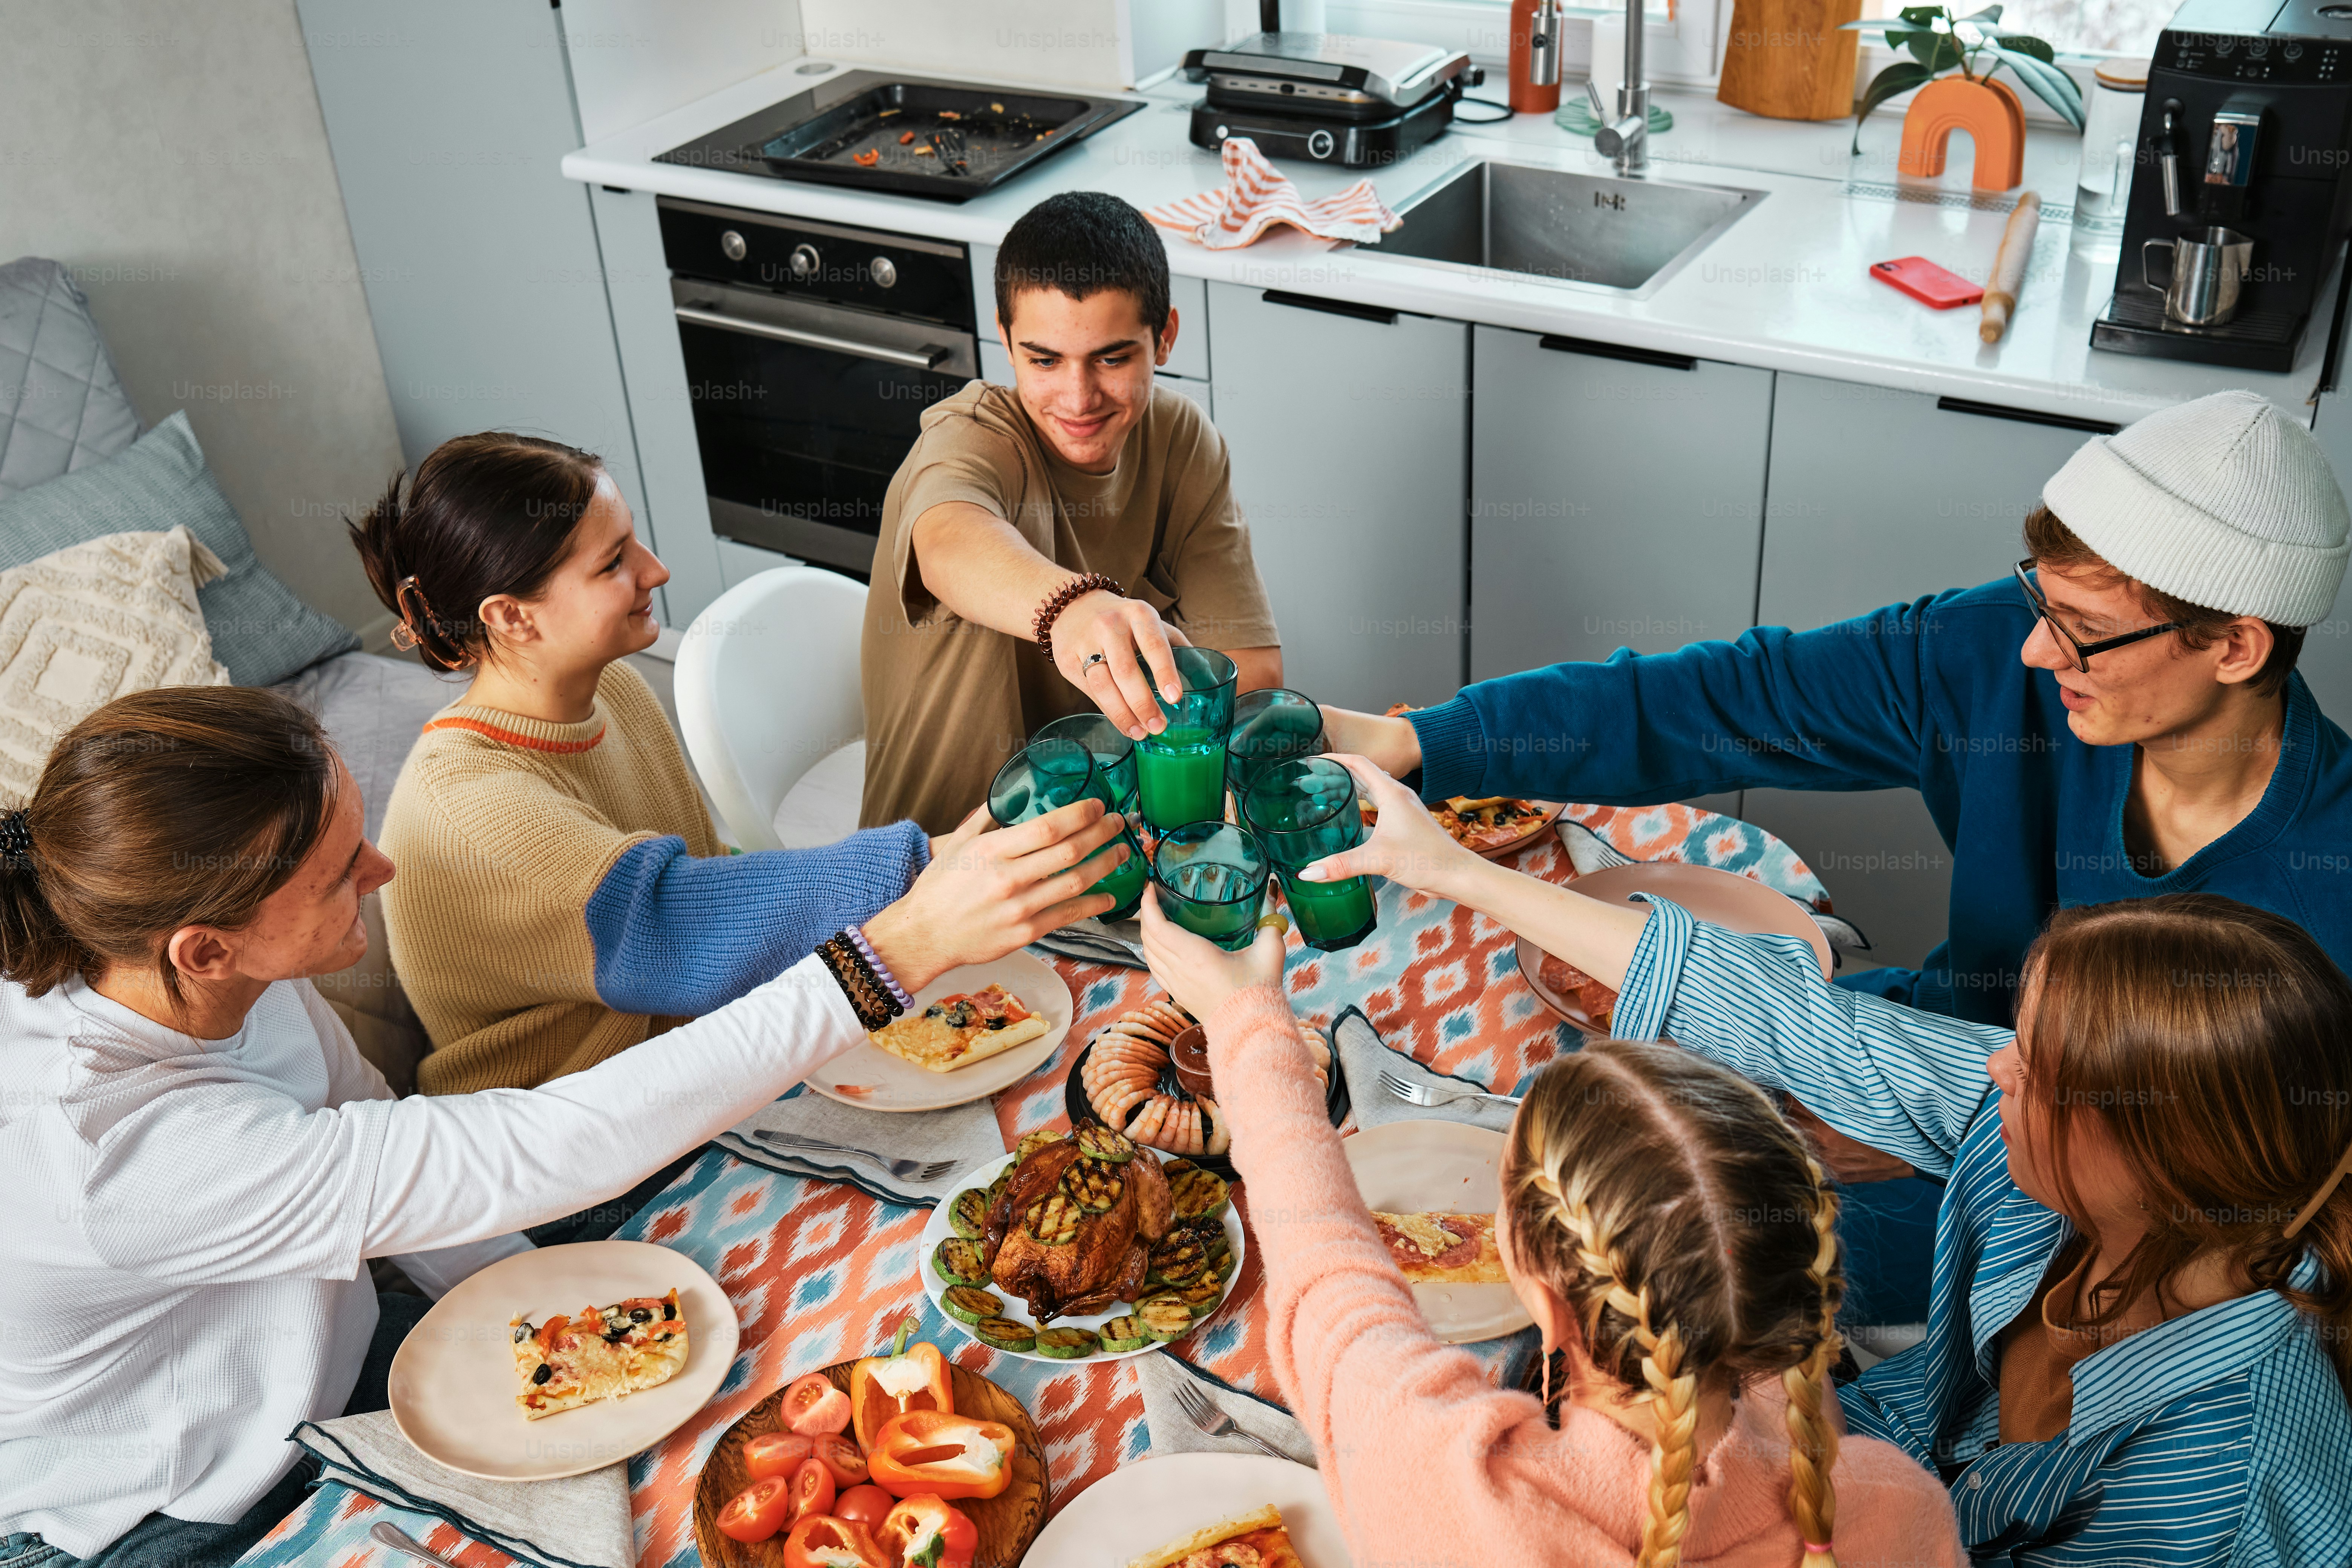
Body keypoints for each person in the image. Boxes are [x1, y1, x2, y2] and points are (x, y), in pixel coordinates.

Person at [0, 685, 1114, 1568]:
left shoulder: (192, 964)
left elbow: (376, 1134)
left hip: (332, 1368)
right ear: (206, 948)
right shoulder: (112, 1156)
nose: (383, 873)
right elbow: (537, 1145)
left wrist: (544, 1314)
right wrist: (887, 957)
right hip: (178, 1510)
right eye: (345, 874)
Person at [1301, 753, 2352, 1566]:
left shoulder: (2235, 1484)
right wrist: (1440, 868)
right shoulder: (2062, 1143)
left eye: (2036, 1068)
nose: (1995, 1073)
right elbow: (1795, 1024)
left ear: (2159, 1161)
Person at [1323, 387, 2352, 1029]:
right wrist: (1416, 740)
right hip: (1932, 1051)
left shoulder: (2328, 894)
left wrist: (1909, 1127)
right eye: (2041, 597)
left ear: (2235, 647)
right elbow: (1723, 698)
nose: (2038, 649)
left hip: (2063, 1206)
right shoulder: (1998, 645)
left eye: (2082, 627)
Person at [1139, 905, 1964, 1568]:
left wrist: (1244, 1017)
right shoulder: (1898, 1506)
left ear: (1539, 1291)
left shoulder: (1449, 1491)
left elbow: (1326, 1271)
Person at [351, 431, 1128, 1098]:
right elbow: (671, 924)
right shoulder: (469, 805)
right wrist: (925, 865)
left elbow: (708, 871)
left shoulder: (614, 688)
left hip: (691, 1059)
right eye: (614, 562)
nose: (655, 571)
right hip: (577, 1165)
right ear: (511, 616)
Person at [859, 189, 1283, 833]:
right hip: (945, 863)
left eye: (1111, 359)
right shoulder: (970, 436)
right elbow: (948, 539)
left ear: (1163, 337)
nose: (1078, 398)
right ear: (1004, 341)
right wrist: (1075, 609)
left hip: (1115, 838)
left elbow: (1248, 673)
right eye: (1045, 361)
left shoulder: (1182, 439)